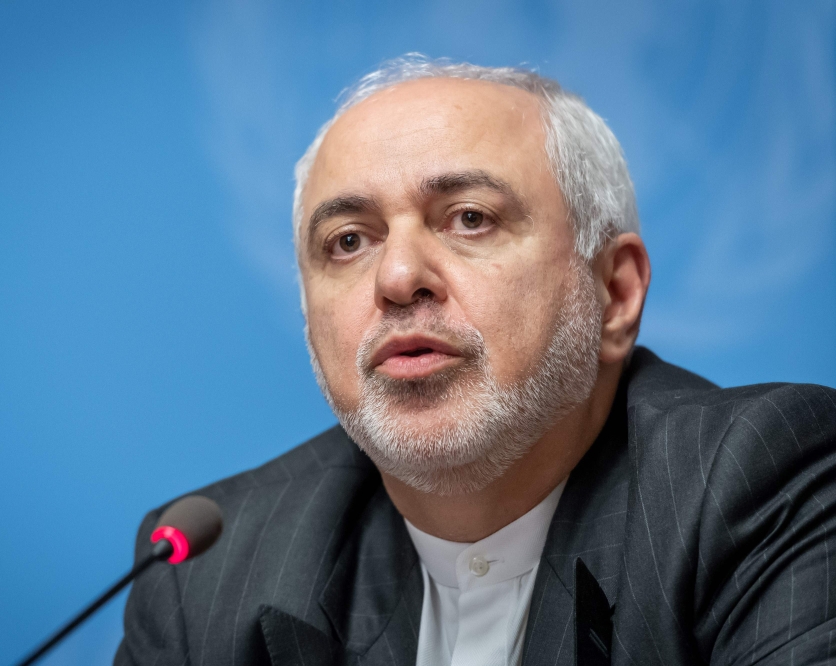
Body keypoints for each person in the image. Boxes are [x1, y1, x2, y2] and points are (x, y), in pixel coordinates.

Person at [114, 55, 836, 666]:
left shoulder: (762, 482)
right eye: (348, 241)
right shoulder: (206, 568)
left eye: (469, 218)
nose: (397, 279)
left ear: (613, 293)